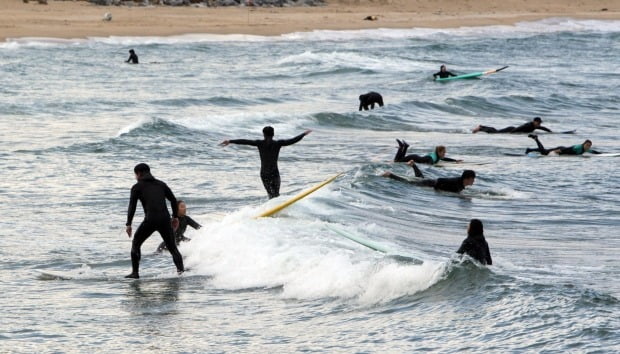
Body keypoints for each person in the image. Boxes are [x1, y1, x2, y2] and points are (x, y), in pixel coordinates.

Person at [125, 163, 184, 279]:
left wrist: (129, 224)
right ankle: (181, 273)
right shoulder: (161, 184)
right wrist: (175, 217)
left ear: (139, 173)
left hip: (150, 220)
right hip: (165, 220)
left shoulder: (137, 187)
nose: (135, 177)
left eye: (135, 174)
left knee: (136, 244)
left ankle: (135, 273)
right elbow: (173, 200)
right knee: (173, 248)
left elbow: (132, 206)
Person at [220, 126, 312, 199]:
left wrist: (230, 141)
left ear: (263, 134)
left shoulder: (259, 143)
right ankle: (276, 210)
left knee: (270, 195)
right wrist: (303, 134)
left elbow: (245, 141)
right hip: (274, 173)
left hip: (264, 173)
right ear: (273, 134)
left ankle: (271, 210)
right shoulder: (278, 143)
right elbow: (292, 140)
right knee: (276, 194)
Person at [382, 160, 476, 193]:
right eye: (473, 179)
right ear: (467, 179)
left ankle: (414, 165)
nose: (473, 181)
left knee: (420, 179)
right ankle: (390, 175)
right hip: (432, 183)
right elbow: (441, 180)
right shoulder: (457, 184)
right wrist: (435, 189)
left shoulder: (460, 184)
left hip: (432, 182)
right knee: (410, 183)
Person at [393, 139, 462, 164]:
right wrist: (431, 165)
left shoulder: (437, 156)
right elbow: (430, 161)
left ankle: (405, 147)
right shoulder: (433, 157)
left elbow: (445, 159)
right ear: (439, 152)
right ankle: (402, 147)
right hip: (413, 158)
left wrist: (455, 160)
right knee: (396, 161)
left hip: (414, 157)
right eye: (443, 152)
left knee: (401, 159)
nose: (444, 153)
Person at [525, 135, 602, 155]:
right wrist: (559, 151)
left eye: (589, 146)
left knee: (545, 150)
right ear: (584, 144)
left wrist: (603, 154)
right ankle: (536, 139)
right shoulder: (578, 147)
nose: (588, 147)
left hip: (562, 150)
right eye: (587, 145)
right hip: (562, 150)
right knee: (543, 152)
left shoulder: (586, 149)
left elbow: (594, 151)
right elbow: (569, 148)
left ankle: (529, 150)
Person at [472, 117, 551, 134]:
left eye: (540, 123)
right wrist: (511, 133)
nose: (539, 124)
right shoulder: (528, 125)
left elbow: (543, 128)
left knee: (496, 131)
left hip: (512, 129)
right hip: (511, 129)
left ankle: (482, 127)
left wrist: (551, 132)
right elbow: (520, 127)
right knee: (496, 132)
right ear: (534, 121)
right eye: (538, 123)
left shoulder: (535, 126)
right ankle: (481, 127)